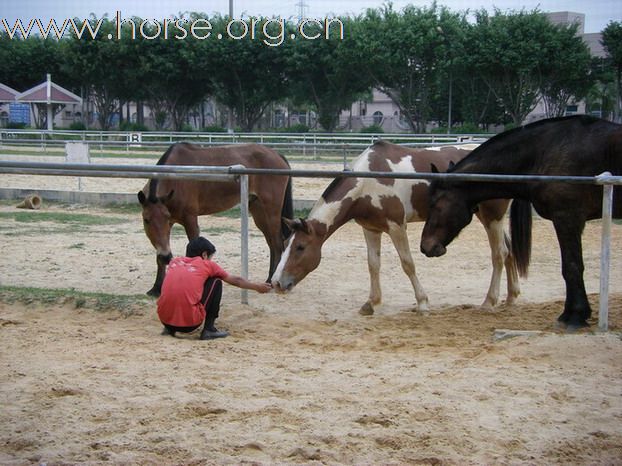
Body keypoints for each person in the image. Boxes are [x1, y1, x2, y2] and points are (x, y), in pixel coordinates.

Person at [157, 236, 272, 340]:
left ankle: (170, 329)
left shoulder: (174, 262)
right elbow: (236, 280)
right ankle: (209, 329)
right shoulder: (207, 264)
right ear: (204, 255)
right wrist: (257, 286)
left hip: (165, 320)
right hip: (190, 324)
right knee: (216, 281)